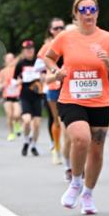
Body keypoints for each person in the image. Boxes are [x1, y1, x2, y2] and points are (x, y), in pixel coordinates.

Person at [43, 0, 109, 214]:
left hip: (99, 101)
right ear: (75, 14)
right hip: (71, 98)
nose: (88, 13)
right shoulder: (65, 37)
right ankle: (76, 181)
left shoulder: (108, 39)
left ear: (97, 12)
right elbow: (49, 58)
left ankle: (88, 194)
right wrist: (55, 72)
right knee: (81, 138)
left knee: (97, 151)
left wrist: (107, 62)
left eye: (92, 9)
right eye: (83, 9)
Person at [38, 17, 66, 165]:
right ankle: (56, 149)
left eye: (62, 27)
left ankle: (69, 150)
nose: (59, 31)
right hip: (53, 88)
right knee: (57, 120)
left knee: (67, 121)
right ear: (50, 30)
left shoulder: (71, 41)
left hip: (69, 87)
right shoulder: (47, 46)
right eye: (56, 28)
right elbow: (38, 68)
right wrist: (48, 75)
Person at [14, 40, 44, 156]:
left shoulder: (39, 62)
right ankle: (26, 140)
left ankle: (33, 145)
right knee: (26, 120)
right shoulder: (20, 63)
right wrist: (18, 81)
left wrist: (43, 77)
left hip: (38, 95)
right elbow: (14, 79)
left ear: (34, 50)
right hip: (25, 95)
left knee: (36, 124)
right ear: (24, 51)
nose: (29, 51)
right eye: (27, 49)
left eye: (31, 49)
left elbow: (46, 74)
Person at [0, 53, 21, 140]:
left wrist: (18, 82)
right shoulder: (2, 72)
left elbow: (23, 79)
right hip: (7, 96)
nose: (10, 60)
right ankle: (11, 133)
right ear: (5, 60)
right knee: (9, 115)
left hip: (17, 95)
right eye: (8, 59)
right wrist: (3, 84)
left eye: (12, 58)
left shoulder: (18, 70)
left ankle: (17, 124)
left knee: (17, 114)